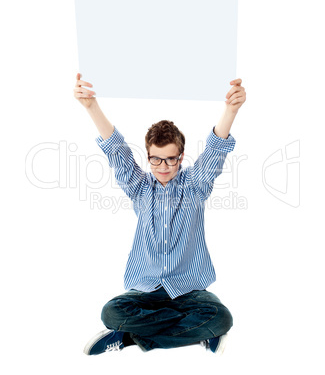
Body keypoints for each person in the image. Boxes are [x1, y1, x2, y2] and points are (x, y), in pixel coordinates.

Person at [73, 73, 246, 355]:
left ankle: (131, 338)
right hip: (145, 293)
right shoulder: (139, 187)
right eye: (156, 158)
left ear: (181, 156)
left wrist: (231, 110)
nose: (163, 166)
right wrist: (91, 106)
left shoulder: (195, 185)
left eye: (170, 158)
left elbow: (215, 150)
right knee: (112, 313)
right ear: (148, 156)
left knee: (221, 317)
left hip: (190, 293)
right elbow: (117, 151)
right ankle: (195, 333)